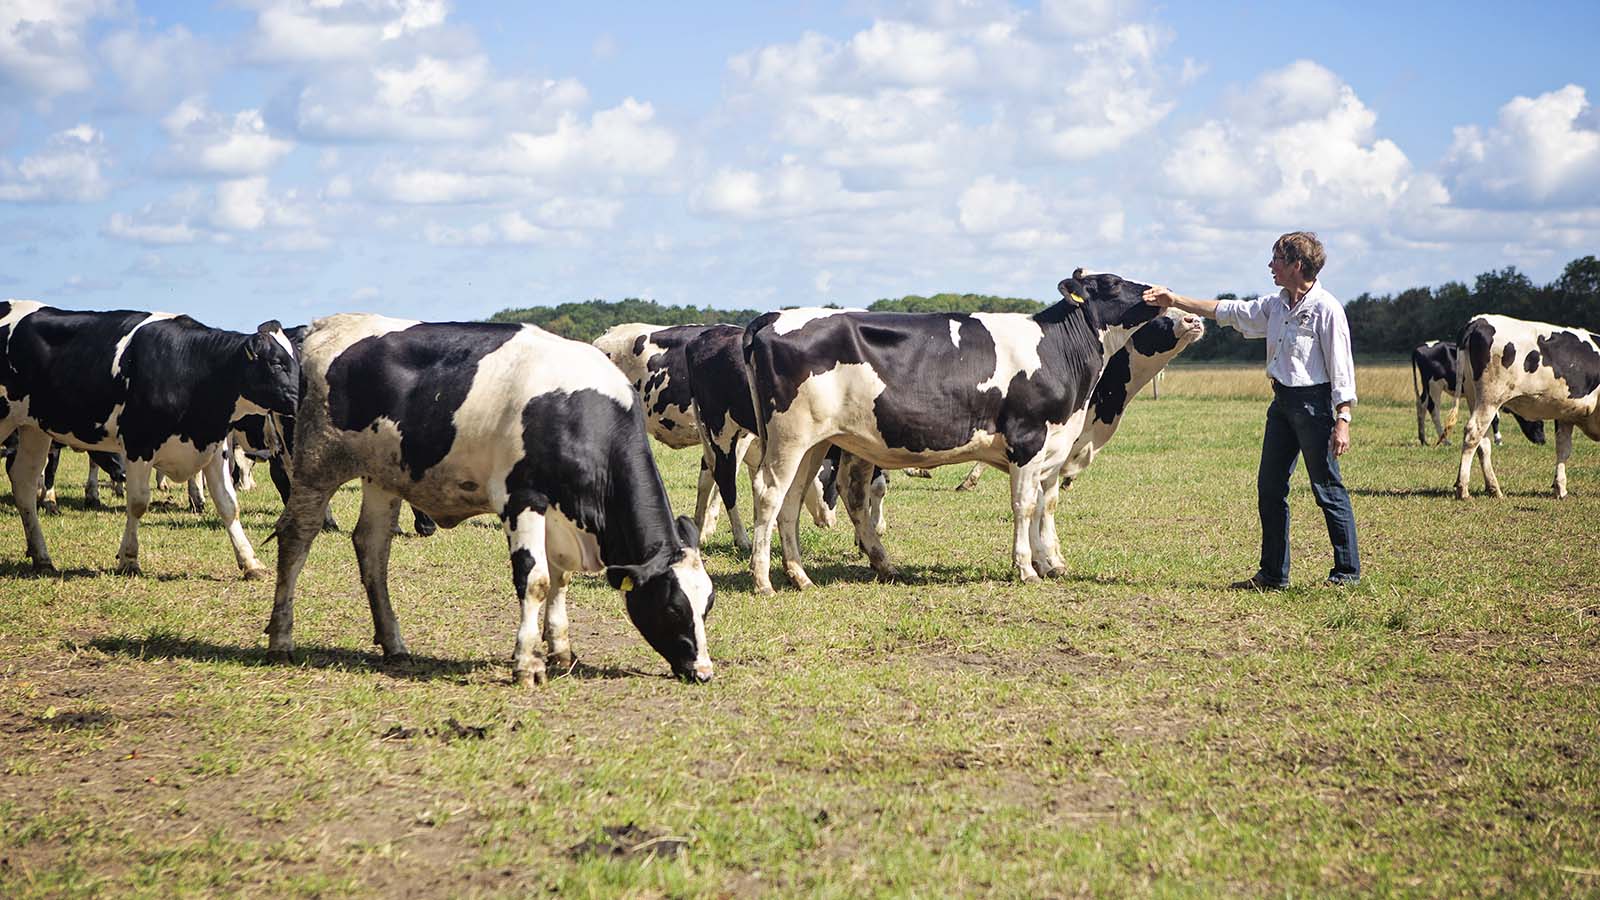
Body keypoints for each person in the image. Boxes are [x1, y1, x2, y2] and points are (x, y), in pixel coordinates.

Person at [1143, 231, 1360, 589]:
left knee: (1326, 488)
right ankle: (1273, 575)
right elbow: (1228, 311)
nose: (1270, 266)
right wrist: (1176, 299)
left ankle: (1347, 573)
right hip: (1282, 406)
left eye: (1276, 259)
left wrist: (1343, 419)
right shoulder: (1275, 306)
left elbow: (1341, 368)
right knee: (1270, 489)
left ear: (1296, 265)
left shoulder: (1326, 309)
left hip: (1315, 407)